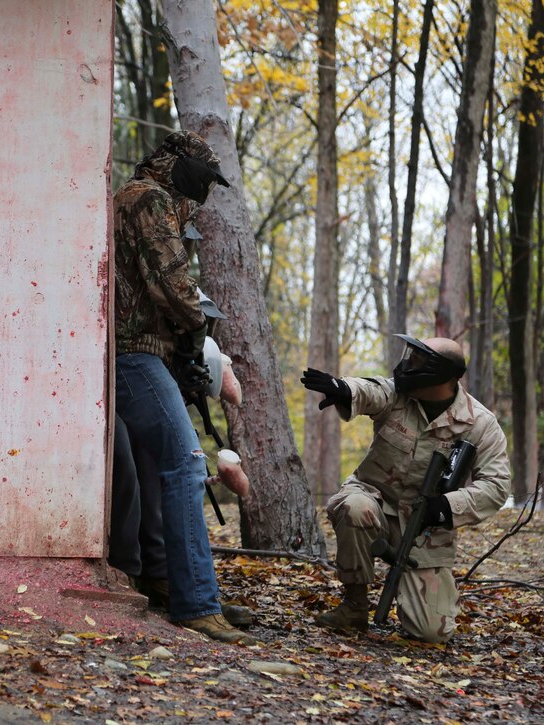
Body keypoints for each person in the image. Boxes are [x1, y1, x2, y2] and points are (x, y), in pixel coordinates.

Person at [113, 130, 255, 645]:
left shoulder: (155, 201)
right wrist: (197, 334)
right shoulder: (147, 199)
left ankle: (164, 581)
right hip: (134, 355)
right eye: (203, 179)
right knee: (186, 463)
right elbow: (171, 284)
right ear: (175, 163)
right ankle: (197, 603)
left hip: (145, 352)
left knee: (156, 468)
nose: (205, 192)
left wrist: (189, 348)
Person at [300, 335, 510, 643]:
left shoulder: (479, 424)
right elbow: (372, 390)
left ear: (442, 374)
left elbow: (496, 485)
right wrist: (343, 388)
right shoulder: (398, 395)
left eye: (420, 360)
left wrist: (446, 507)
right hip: (375, 500)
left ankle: (413, 596)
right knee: (354, 508)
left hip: (425, 524)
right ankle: (354, 606)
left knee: (430, 633)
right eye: (411, 355)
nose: (409, 364)